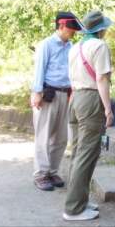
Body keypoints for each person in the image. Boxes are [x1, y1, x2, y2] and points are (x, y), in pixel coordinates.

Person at [63, 11, 115, 221]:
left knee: (77, 152)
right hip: (91, 99)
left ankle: (79, 201)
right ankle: (74, 209)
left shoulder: (76, 46)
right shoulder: (100, 46)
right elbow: (101, 79)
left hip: (75, 99)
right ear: (100, 29)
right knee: (86, 155)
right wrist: (108, 109)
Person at [30, 12, 83, 191]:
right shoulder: (46, 45)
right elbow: (39, 69)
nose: (73, 33)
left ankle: (52, 171)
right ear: (61, 26)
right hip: (48, 93)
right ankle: (41, 174)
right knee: (43, 135)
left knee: (61, 137)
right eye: (71, 29)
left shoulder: (71, 47)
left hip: (65, 94)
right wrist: (37, 92)